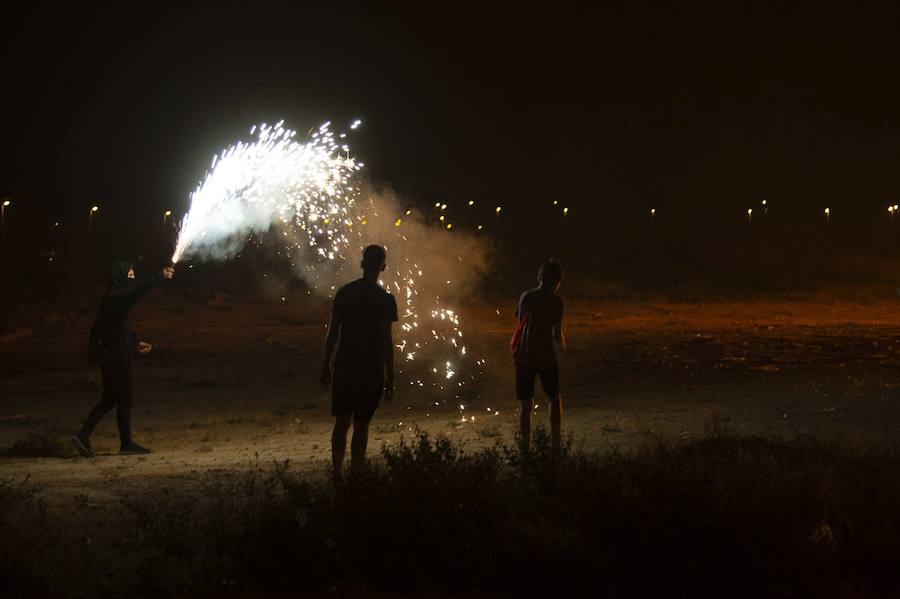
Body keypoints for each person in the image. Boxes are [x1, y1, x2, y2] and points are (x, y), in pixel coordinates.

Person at [72, 261, 175, 457]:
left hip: (110, 356)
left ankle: (83, 434)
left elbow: (116, 327)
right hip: (119, 358)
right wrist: (158, 278)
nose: (132, 277)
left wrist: (135, 342)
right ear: (120, 275)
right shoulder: (116, 298)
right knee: (125, 399)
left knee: (110, 398)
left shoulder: (110, 300)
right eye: (130, 273)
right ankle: (126, 444)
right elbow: (135, 294)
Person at [319, 245, 398, 479]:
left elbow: (333, 331)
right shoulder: (385, 300)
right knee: (361, 424)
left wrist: (325, 363)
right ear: (383, 266)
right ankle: (356, 473)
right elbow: (386, 340)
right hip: (370, 368)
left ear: (362, 263)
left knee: (342, 421)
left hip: (344, 365)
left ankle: (336, 472)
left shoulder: (345, 292)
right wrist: (391, 375)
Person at [514, 260, 566, 451]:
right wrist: (562, 345)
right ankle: (555, 443)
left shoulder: (526, 297)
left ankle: (524, 448)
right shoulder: (557, 303)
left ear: (539, 277)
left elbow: (520, 323)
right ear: (558, 282)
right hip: (546, 356)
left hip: (524, 356)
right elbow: (557, 335)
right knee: (553, 399)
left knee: (525, 404)